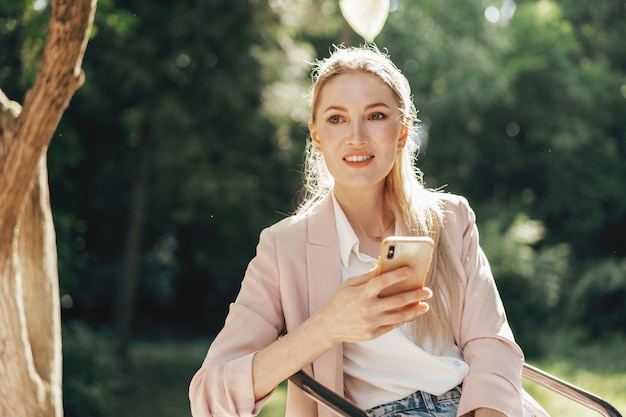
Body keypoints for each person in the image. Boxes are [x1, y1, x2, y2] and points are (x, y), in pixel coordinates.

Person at [189, 45, 547, 417]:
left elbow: (491, 346)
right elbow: (209, 396)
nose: (356, 136)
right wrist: (327, 326)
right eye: (336, 119)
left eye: (375, 115)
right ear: (316, 135)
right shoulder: (283, 246)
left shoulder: (451, 219)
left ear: (403, 130)